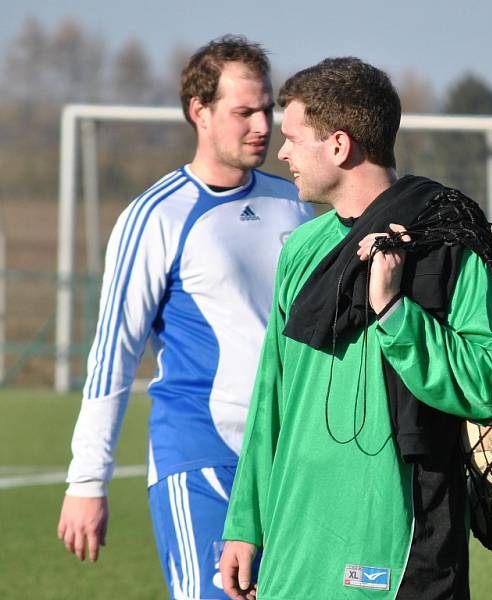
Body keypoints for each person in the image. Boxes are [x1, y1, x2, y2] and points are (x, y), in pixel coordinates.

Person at [218, 57, 492, 600]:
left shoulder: (448, 243)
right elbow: (272, 400)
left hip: (399, 550)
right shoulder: (301, 251)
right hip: (295, 545)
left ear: (338, 145)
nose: (279, 152)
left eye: (292, 137)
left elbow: (489, 380)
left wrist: (395, 313)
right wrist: (245, 524)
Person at [57, 35, 314, 599]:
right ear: (200, 112)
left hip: (293, 459)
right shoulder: (153, 217)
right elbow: (111, 356)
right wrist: (86, 480)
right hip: (202, 458)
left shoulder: (295, 204)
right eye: (243, 111)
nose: (262, 126)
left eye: (266, 110)